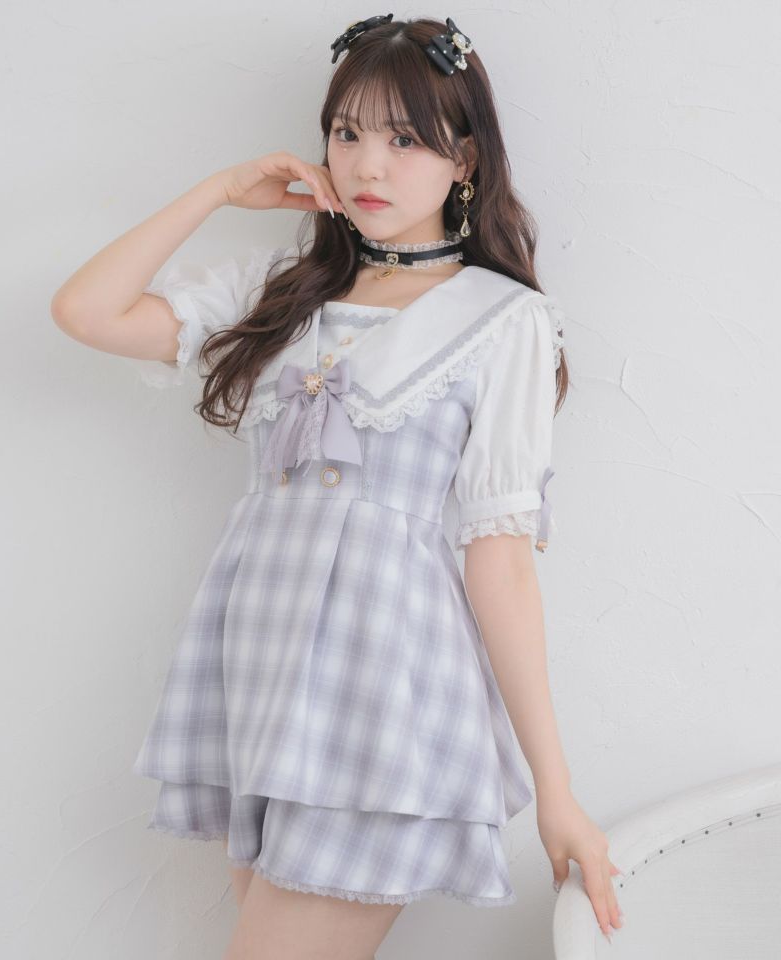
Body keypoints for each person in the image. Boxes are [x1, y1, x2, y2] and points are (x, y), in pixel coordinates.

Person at [51, 14, 625, 959]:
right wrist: (220, 190)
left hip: (384, 685)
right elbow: (86, 310)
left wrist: (556, 791)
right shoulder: (284, 289)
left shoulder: (502, 321)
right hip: (262, 675)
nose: (367, 165)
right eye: (348, 132)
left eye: (405, 139)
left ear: (464, 158)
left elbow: (502, 562)